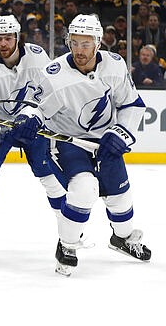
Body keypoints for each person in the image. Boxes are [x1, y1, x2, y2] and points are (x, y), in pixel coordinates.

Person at [13, 14, 151, 276]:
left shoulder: (114, 65)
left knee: (121, 197)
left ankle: (122, 238)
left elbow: (131, 104)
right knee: (85, 189)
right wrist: (28, 120)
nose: (79, 50)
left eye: (86, 44)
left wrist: (120, 132)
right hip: (68, 143)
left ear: (98, 43)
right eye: (74, 43)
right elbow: (36, 108)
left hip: (106, 141)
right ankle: (67, 245)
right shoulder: (54, 73)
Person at [0, 15, 66, 245]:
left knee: (51, 178)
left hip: (34, 124)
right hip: (0, 125)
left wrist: (31, 118)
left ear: (18, 38)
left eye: (8, 38)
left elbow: (51, 94)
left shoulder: (38, 57)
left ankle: (68, 230)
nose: (4, 44)